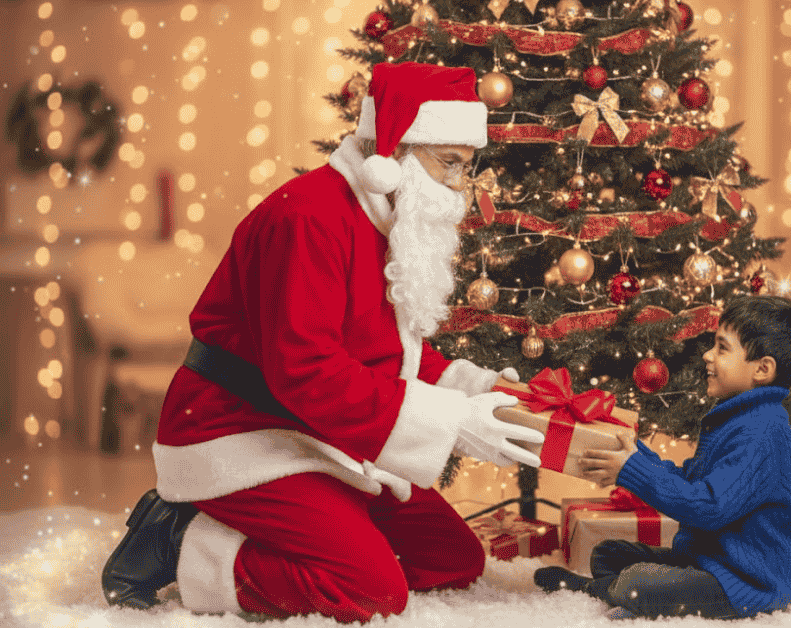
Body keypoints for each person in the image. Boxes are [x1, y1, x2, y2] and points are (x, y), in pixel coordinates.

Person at [101, 61, 545, 622]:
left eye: (466, 166)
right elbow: (304, 370)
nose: (459, 185)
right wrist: (452, 422)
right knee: (370, 592)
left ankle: (310, 530)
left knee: (450, 558)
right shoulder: (309, 218)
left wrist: (475, 388)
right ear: (397, 151)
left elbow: (383, 350)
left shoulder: (387, 217)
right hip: (239, 428)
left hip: (318, 430)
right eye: (450, 164)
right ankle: (179, 538)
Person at [534, 295, 791, 621]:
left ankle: (604, 591)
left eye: (722, 348)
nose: (708, 355)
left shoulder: (762, 431)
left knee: (638, 584)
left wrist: (632, 470)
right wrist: (636, 455)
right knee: (608, 553)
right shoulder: (740, 417)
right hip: (709, 559)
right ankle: (623, 589)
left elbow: (707, 507)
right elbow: (693, 481)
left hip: (745, 581)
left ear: (762, 369)